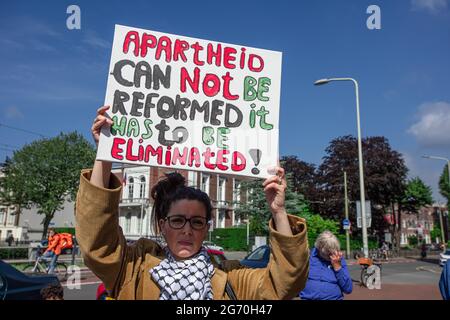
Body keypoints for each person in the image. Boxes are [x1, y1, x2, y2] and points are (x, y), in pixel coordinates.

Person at [75, 105, 310, 300]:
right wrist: (105, 153)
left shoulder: (232, 278)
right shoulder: (134, 269)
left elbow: (285, 283)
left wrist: (278, 211)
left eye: (197, 222)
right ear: (162, 224)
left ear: (207, 227)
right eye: (177, 220)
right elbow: (97, 244)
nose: (187, 230)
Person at [299, 231, 353, 300]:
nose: (332, 256)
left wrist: (338, 267)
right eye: (329, 253)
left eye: (334, 251)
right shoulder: (307, 257)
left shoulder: (338, 259)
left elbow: (348, 289)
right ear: (320, 249)